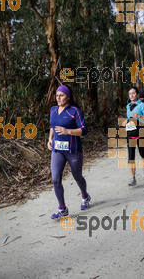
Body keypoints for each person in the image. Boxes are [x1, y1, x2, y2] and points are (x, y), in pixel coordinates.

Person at [48, 85, 91, 219]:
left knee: (77, 176)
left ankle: (85, 196)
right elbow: (52, 126)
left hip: (73, 150)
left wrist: (68, 131)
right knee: (55, 179)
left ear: (68, 97)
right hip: (57, 149)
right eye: (56, 95)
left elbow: (84, 129)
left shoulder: (74, 111)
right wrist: (50, 139)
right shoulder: (53, 110)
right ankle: (62, 208)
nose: (58, 98)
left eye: (61, 95)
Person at [122, 87, 144, 186]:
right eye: (130, 94)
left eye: (133, 93)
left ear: (137, 94)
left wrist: (139, 117)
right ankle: (133, 178)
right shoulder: (128, 106)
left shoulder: (143, 105)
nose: (132, 95)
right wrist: (126, 121)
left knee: (142, 152)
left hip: (141, 132)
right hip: (130, 133)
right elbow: (129, 118)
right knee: (131, 156)